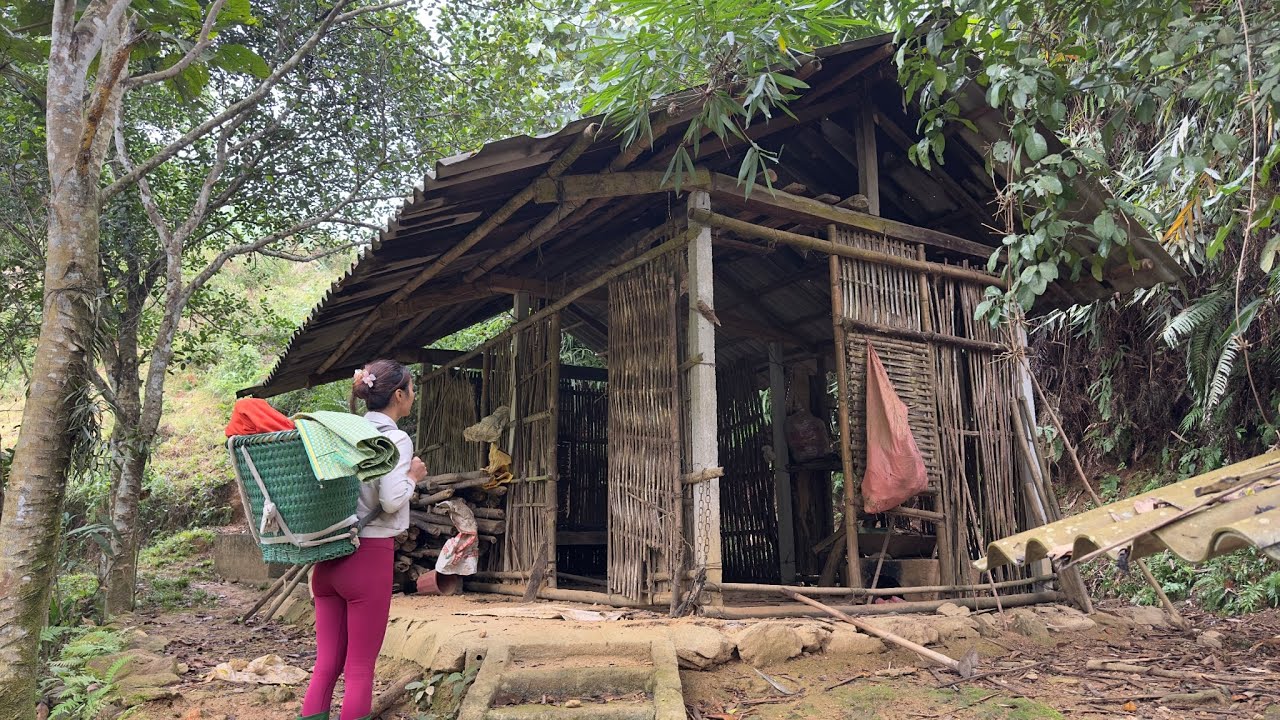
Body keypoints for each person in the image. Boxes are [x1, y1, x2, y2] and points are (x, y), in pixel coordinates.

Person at [299, 359, 427, 720]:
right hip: (367, 558)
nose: (413, 396)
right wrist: (413, 476)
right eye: (411, 390)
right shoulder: (394, 438)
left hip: (328, 558)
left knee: (325, 666)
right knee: (359, 669)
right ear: (399, 395)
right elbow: (390, 500)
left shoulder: (342, 431)